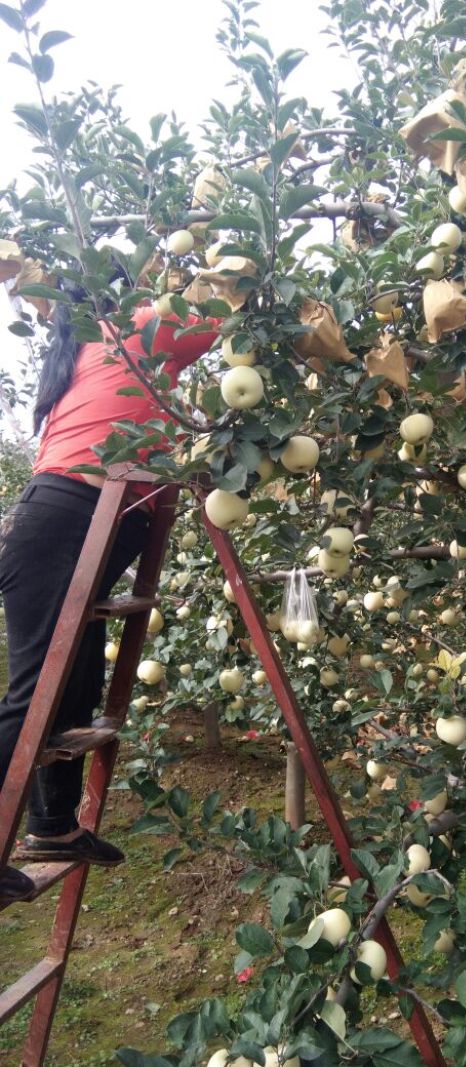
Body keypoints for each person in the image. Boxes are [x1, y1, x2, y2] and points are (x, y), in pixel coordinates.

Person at [0, 280, 219, 902]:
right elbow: (225, 315)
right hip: (63, 521)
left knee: (76, 687)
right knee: (35, 692)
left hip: (78, 525)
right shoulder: (133, 329)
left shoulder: (98, 346)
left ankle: (51, 827)